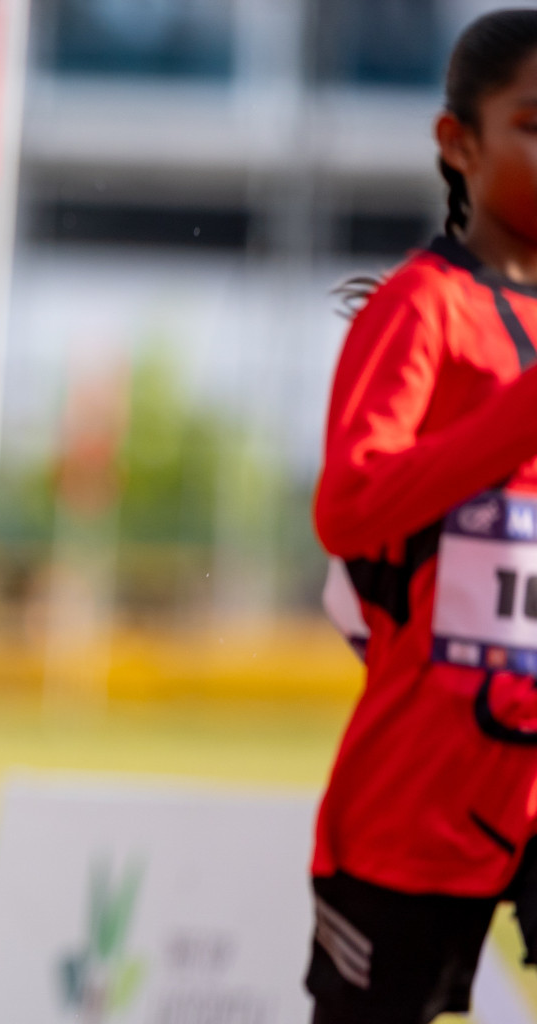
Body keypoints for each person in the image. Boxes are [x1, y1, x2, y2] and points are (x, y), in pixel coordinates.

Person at [313, 9, 537, 1023]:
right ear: (460, 143)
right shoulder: (422, 308)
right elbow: (351, 506)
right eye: (534, 123)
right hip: (420, 791)